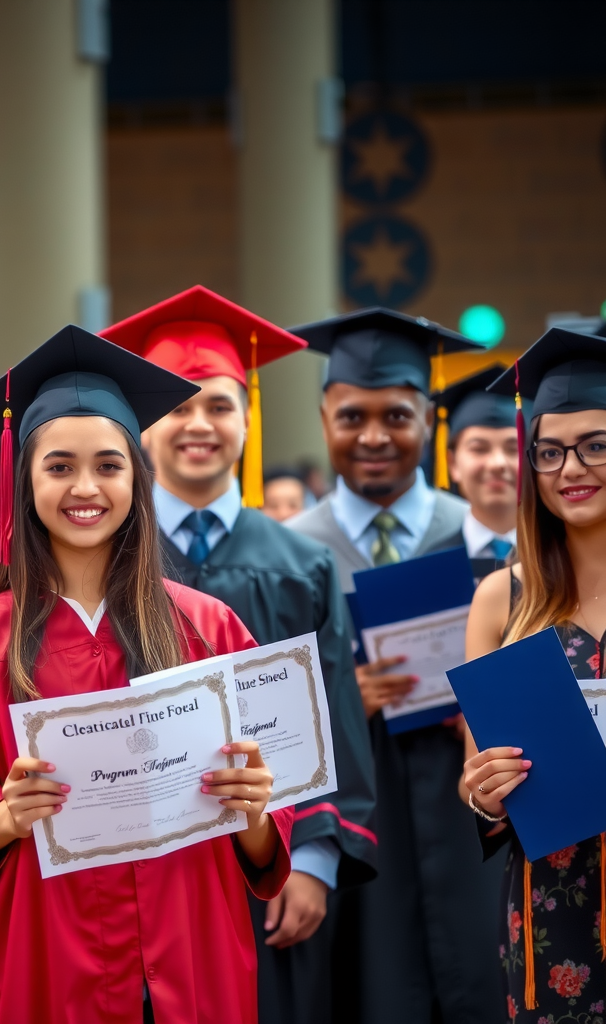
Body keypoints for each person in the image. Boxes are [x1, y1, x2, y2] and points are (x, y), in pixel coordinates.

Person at [0, 324, 295, 1024]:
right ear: (23, 479)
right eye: (58, 467)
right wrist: (0, 816)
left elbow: (268, 825)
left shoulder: (208, 626)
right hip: (48, 947)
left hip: (188, 939)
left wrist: (257, 809)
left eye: (109, 466)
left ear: (137, 478)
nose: (86, 488)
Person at [102, 285, 377, 1024]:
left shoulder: (300, 562)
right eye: (179, 406)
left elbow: (335, 724)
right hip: (139, 863)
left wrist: (314, 859)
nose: (199, 424)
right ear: (143, 426)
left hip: (271, 857)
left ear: (248, 419)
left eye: (219, 405)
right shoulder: (102, 558)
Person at [285, 307, 502, 1024]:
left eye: (396, 416)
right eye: (352, 416)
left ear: (428, 419)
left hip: (468, 822)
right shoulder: (287, 553)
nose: (374, 437)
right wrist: (341, 699)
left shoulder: (477, 541)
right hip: (360, 838)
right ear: (324, 418)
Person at [463, 328, 606, 1022]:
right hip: (552, 906)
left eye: (597, 444)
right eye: (549, 451)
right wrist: (485, 792)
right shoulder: (502, 600)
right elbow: (476, 784)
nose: (571, 467)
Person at [433, 365, 521, 571]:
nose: (497, 463)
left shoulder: (565, 560)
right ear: (452, 463)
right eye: (479, 449)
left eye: (512, 448)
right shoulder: (427, 569)